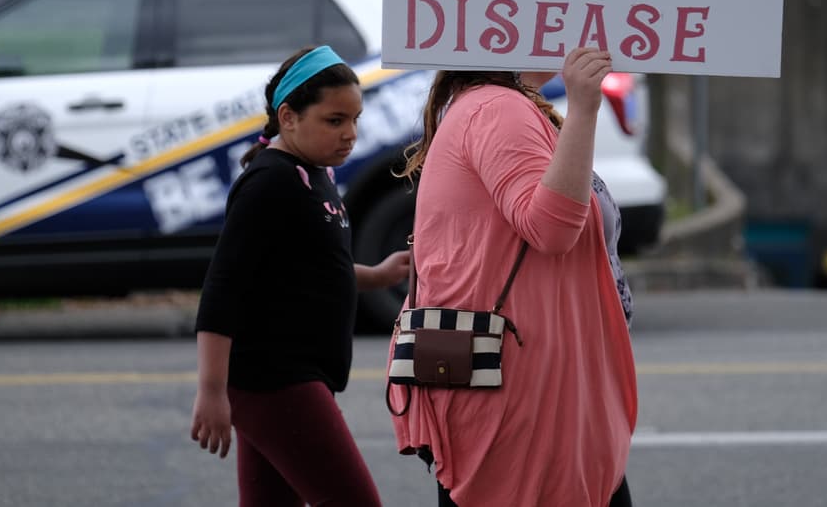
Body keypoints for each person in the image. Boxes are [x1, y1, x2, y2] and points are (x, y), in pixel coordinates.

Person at [389, 47, 638, 507]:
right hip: (523, 395)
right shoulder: (497, 109)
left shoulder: (497, 104)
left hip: (530, 390)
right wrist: (584, 108)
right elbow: (552, 228)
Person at [190, 45, 410, 507]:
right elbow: (223, 287)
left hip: (290, 376)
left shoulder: (313, 172)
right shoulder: (270, 182)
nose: (351, 134)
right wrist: (211, 391)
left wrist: (377, 274)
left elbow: (310, 269)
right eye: (335, 120)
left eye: (355, 119)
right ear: (288, 116)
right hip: (276, 378)